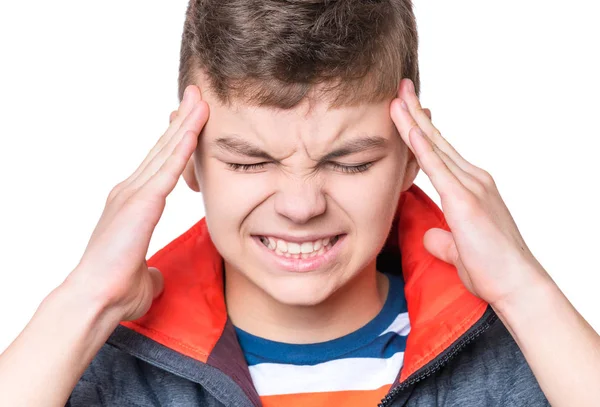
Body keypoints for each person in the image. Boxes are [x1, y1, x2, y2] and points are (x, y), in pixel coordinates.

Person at [1, 0, 599, 406]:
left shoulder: (527, 356)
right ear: (184, 155)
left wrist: (528, 294)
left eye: (350, 162)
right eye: (250, 161)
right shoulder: (93, 367)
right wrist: (83, 301)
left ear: (415, 153)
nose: (300, 204)